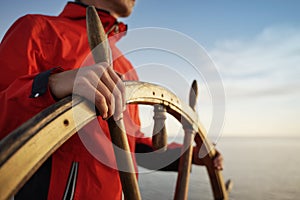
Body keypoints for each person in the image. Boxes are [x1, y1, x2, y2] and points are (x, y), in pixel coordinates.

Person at [0, 0, 223, 199]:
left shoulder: (126, 67)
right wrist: (52, 84)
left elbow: (131, 146)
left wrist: (191, 155)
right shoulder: (36, 30)